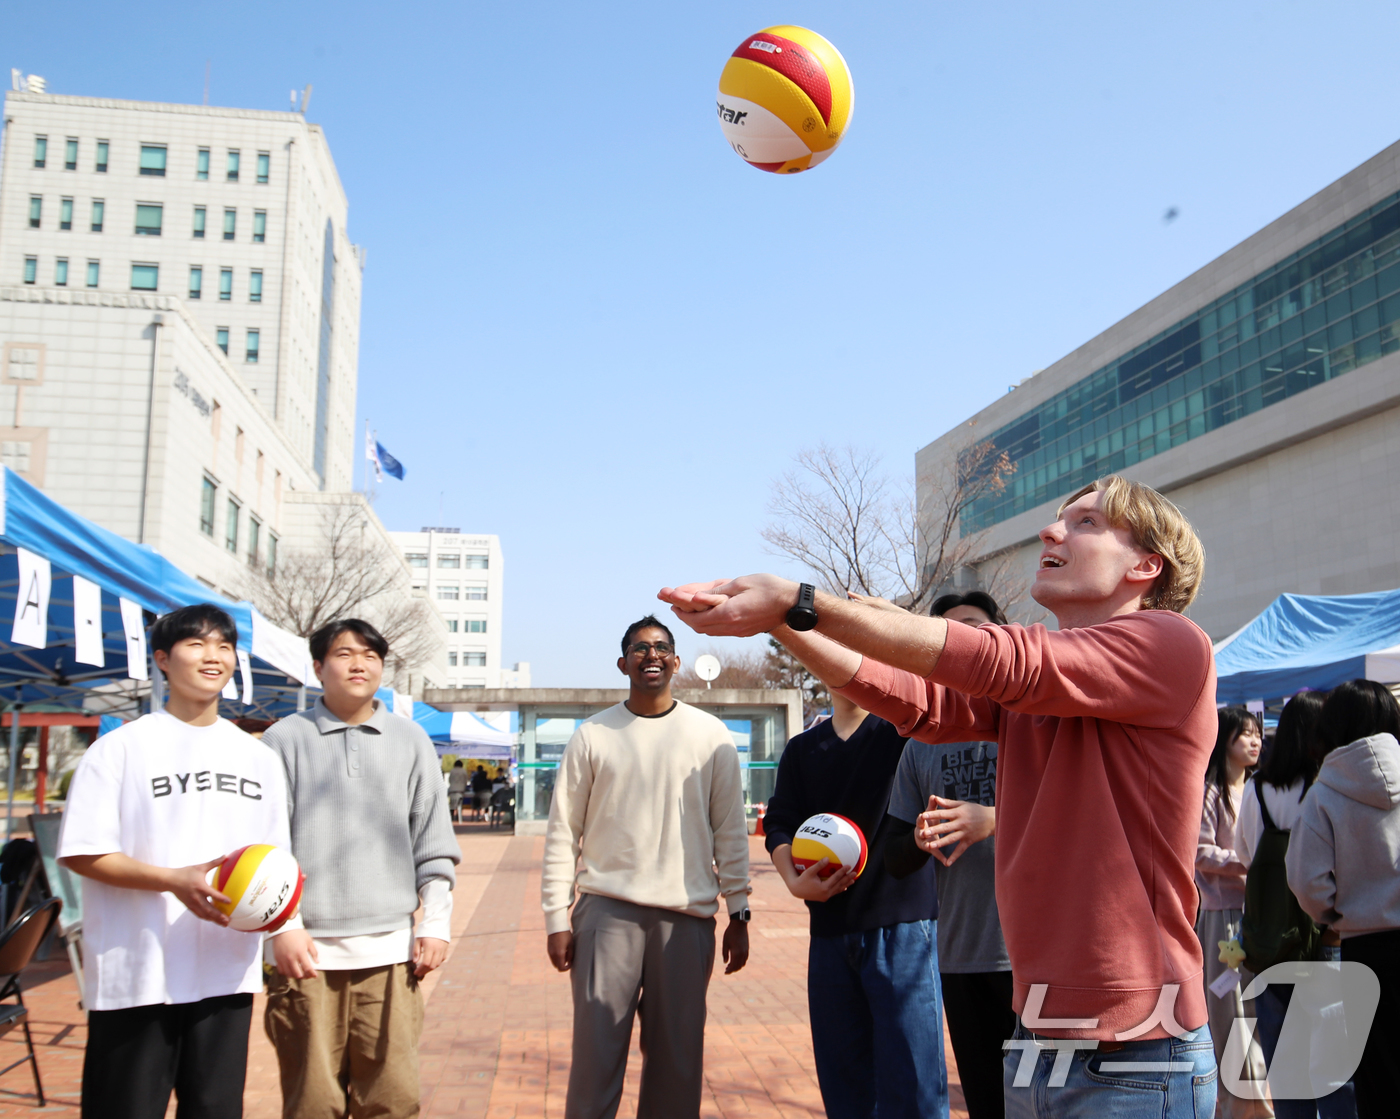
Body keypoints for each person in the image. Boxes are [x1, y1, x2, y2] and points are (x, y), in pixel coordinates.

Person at [660, 474, 1220, 1119]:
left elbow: (1000, 662)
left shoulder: (1172, 642)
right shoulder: (1038, 689)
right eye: (1061, 518)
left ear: (1147, 565)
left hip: (1136, 1047)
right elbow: (916, 698)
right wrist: (785, 623)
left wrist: (801, 600)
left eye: (1087, 522)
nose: (1051, 530)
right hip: (1040, 1036)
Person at [58, 604, 291, 1119]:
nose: (213, 657)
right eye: (196, 644)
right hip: (137, 968)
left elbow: (277, 862)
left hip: (225, 969)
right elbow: (83, 851)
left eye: (224, 646)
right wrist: (172, 880)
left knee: (215, 1108)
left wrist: (283, 928)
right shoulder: (119, 749)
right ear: (162, 659)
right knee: (126, 1108)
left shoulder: (258, 758)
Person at [542, 615, 750, 1119]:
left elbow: (731, 830)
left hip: (687, 919)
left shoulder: (711, 735)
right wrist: (555, 916)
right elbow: (562, 831)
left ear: (676, 662)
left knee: (677, 1066)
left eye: (660, 647)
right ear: (622, 663)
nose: (650, 655)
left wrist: (739, 912)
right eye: (639, 648)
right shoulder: (592, 735)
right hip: (605, 915)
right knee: (595, 1062)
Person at [262, 618, 461, 1118]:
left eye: (371, 655)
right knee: (311, 1102)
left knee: (392, 1099)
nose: (359, 664)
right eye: (345, 653)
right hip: (305, 954)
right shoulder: (283, 740)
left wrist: (435, 924)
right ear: (317, 667)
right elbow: (266, 847)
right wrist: (284, 927)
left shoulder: (410, 739)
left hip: (390, 954)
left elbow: (432, 840)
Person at [764, 690, 945, 1119]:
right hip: (829, 935)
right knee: (844, 1087)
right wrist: (792, 880)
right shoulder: (802, 748)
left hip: (904, 927)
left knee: (914, 1084)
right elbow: (779, 821)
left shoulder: (907, 734)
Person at [883, 590, 1014, 1119]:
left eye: (975, 631)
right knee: (986, 1101)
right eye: (948, 636)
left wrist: (993, 820)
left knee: (1042, 1099)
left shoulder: (1031, 722)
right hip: (960, 954)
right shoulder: (921, 743)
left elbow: (1081, 819)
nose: (962, 643)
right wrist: (916, 839)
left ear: (1003, 637)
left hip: (1032, 956)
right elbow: (893, 857)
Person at [1237, 692, 1356, 1119]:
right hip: (1321, 934)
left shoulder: (1256, 790)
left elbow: (1245, 853)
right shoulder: (1325, 786)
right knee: (1334, 1061)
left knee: (1285, 1060)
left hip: (1267, 940)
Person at [1286, 680, 1400, 1119]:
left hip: (1365, 949)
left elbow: (1306, 881)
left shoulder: (1324, 794)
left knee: (1377, 1077)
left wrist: (1335, 914)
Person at [1196, 707, 1273, 1119]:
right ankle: (1237, 1106)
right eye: (1245, 734)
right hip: (1223, 918)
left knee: (1257, 1009)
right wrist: (1246, 860)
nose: (1255, 741)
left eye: (1257, 733)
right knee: (1230, 1012)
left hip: (1255, 914)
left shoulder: (1258, 790)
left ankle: (1254, 1103)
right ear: (1224, 740)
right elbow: (1199, 851)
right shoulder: (1210, 791)